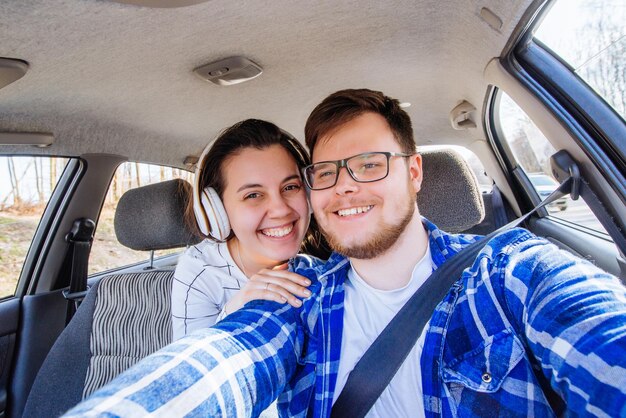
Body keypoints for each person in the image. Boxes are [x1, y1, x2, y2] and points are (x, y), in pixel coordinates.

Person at [65, 89, 626, 417]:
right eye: (327, 172)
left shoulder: (507, 268)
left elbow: (597, 336)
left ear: (413, 173)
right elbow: (223, 365)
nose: (345, 187)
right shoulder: (300, 291)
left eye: (369, 165)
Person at [171, 119, 328, 341]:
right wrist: (237, 309)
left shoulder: (321, 261)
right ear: (218, 211)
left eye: (290, 187)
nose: (280, 210)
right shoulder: (200, 271)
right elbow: (188, 367)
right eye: (253, 195)